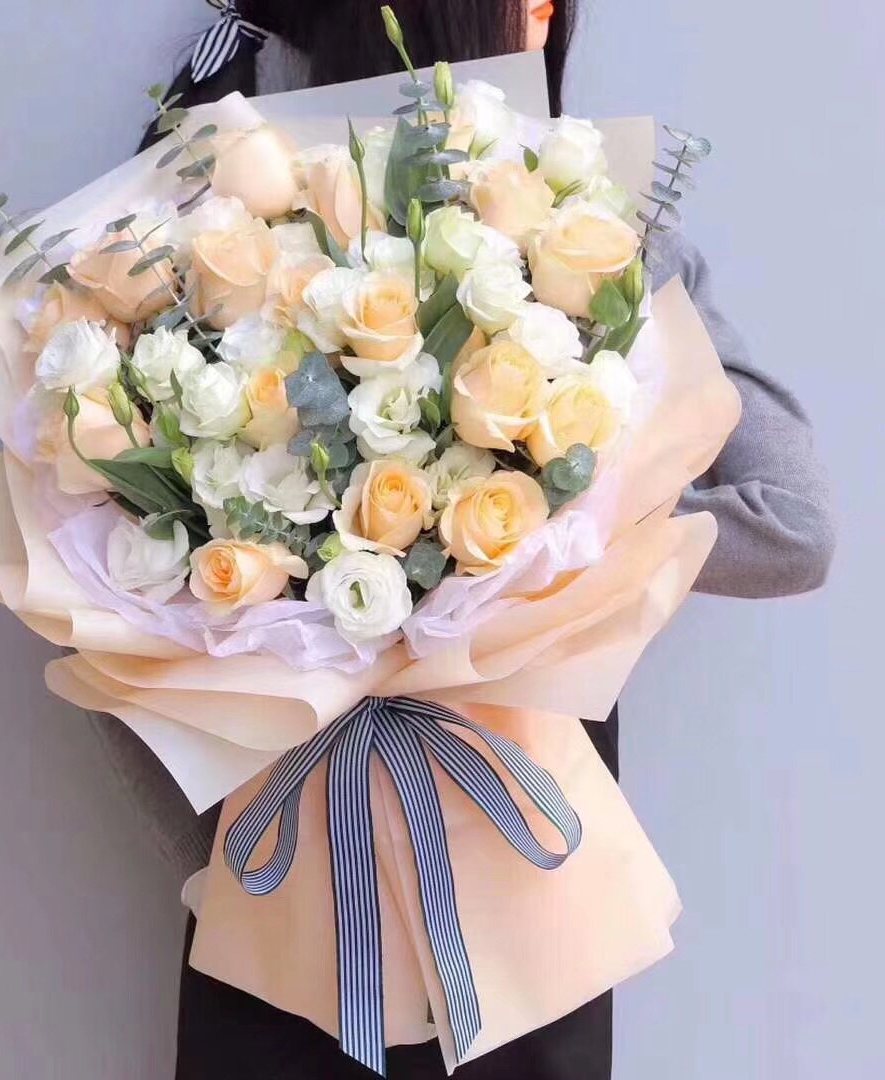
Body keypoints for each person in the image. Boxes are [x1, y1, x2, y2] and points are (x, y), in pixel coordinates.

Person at [85, 2, 836, 1077]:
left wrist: (534, 534)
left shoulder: (589, 232)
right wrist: (216, 867)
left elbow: (794, 523)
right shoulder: (212, 237)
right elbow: (97, 591)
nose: (548, 13)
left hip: (516, 909)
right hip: (290, 903)